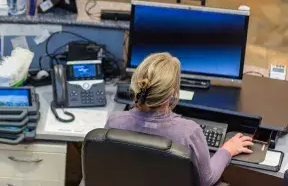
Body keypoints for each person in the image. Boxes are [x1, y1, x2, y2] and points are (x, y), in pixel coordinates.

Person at [106, 52, 253, 186]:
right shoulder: (189, 132)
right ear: (173, 92)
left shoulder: (114, 122)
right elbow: (206, 180)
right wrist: (227, 150)